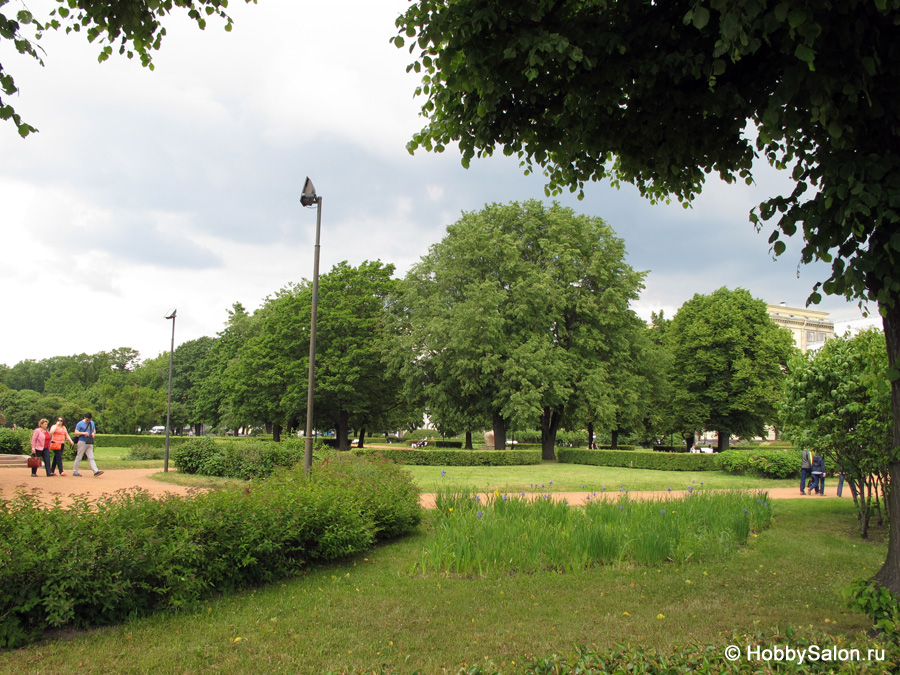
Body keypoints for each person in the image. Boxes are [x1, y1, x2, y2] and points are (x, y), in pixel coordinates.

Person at [73, 413, 103, 477]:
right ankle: (75, 471)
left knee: (91, 457)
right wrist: (83, 433)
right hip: (82, 441)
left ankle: (96, 471)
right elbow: (76, 432)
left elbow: (94, 430)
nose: (88, 421)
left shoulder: (92, 423)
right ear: (84, 417)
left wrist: (93, 433)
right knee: (79, 456)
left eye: (89, 420)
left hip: (89, 441)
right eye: (87, 420)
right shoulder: (80, 424)